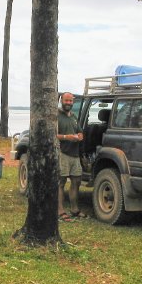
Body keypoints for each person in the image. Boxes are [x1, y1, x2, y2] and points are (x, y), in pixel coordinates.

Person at [57, 92, 85, 221]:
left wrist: (79, 136)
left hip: (75, 154)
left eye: (70, 101)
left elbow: (79, 131)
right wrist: (66, 137)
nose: (68, 103)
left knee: (76, 181)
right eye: (66, 101)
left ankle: (74, 209)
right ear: (61, 100)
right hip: (62, 153)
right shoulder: (56, 116)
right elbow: (52, 134)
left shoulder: (73, 116)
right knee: (61, 183)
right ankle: (60, 211)